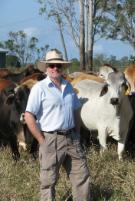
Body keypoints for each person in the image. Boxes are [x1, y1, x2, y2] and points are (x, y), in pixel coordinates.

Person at [24, 49, 91, 201]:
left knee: (82, 175)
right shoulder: (39, 88)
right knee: (49, 180)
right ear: (46, 68)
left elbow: (75, 110)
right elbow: (29, 115)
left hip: (71, 137)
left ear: (62, 68)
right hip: (51, 138)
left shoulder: (69, 87)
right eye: (52, 65)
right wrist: (42, 140)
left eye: (58, 66)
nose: (55, 68)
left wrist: (77, 134)